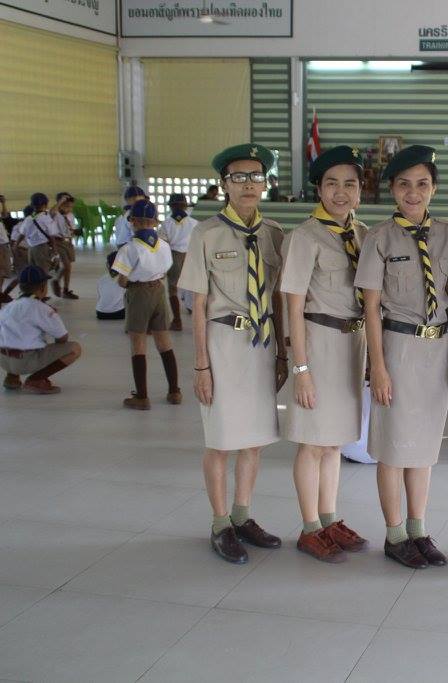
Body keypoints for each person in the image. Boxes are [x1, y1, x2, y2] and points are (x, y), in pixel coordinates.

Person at [177, 143, 287, 565]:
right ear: (224, 184)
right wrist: (201, 365)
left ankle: (243, 516)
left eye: (256, 177)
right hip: (223, 343)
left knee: (255, 439)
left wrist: (282, 355)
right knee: (221, 440)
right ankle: (220, 523)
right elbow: (198, 304)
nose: (248, 185)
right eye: (238, 177)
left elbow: (278, 298)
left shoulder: (273, 233)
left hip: (262, 344)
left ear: (265, 183)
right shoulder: (206, 234)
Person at [354, 145, 448, 569]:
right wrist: (377, 366)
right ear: (392, 190)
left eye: (422, 184)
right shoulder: (379, 238)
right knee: (394, 448)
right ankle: (395, 533)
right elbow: (370, 308)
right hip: (397, 347)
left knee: (425, 447)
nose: (413, 193)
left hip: (438, 348)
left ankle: (419, 528)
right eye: (404, 185)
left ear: (434, 188)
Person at [280, 145, 371, 563]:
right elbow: (293, 306)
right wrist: (301, 369)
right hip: (317, 344)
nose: (340, 192)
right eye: (331, 184)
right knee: (312, 442)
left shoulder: (363, 234)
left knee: (334, 442)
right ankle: (309, 527)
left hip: (352, 344)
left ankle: (330, 518)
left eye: (349, 184)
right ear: (318, 189)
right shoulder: (305, 237)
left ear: (360, 191)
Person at [112, 199, 180, 410]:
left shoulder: (129, 248)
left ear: (132, 221)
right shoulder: (165, 246)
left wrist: (129, 282)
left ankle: (142, 396)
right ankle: (174, 391)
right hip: (159, 291)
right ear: (155, 221)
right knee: (164, 342)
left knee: (138, 344)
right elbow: (166, 270)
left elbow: (122, 280)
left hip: (139, 293)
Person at [0, 265, 82, 393]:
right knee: (74, 349)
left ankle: (11, 378)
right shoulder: (42, 309)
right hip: (24, 362)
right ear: (43, 287)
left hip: (3, 360)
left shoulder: (9, 306)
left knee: (17, 335)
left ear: (20, 286)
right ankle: (35, 380)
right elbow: (62, 338)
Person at [159, 194, 198, 331]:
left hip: (173, 256)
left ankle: (177, 321)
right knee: (194, 289)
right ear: (186, 206)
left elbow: (162, 244)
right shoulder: (195, 223)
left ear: (170, 207)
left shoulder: (166, 224)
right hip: (191, 256)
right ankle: (198, 321)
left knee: (173, 290)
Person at [14, 194, 60, 296]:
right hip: (42, 249)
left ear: (32, 205)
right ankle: (42, 296)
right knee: (43, 274)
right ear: (45, 205)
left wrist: (15, 246)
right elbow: (52, 237)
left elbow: (21, 234)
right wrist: (55, 253)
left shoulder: (28, 219)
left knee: (34, 274)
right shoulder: (46, 218)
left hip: (31, 250)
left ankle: (34, 295)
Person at [51, 192, 80, 300]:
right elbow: (51, 212)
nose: (69, 209)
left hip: (68, 242)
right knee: (67, 266)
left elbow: (72, 229)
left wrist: (73, 234)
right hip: (58, 242)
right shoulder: (56, 214)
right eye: (66, 206)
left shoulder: (70, 216)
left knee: (68, 267)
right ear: (60, 204)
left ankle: (65, 289)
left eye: (71, 207)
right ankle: (57, 281)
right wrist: (60, 202)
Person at [96, 251, 126, 320]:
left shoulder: (102, 279)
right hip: (119, 313)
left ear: (107, 265)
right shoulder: (124, 278)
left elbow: (99, 296)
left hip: (100, 313)